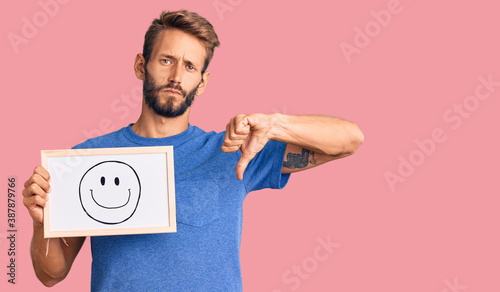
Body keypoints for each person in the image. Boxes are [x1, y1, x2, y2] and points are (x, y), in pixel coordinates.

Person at [22, 9, 364, 291]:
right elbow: (51, 274)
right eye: (166, 61)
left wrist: (275, 124)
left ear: (202, 81)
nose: (176, 76)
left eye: (189, 66)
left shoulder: (235, 150)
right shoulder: (88, 159)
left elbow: (350, 139)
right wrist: (41, 224)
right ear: (142, 66)